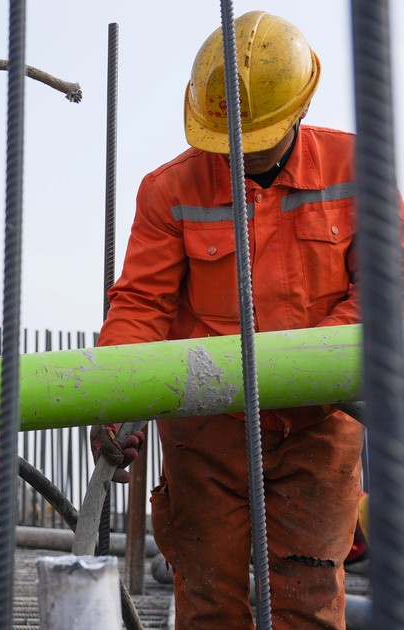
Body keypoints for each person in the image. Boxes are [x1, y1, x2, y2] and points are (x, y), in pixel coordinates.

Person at [93, 11, 384, 628]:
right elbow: (141, 305)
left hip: (317, 425)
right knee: (208, 603)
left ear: (300, 109)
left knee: (306, 603)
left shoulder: (356, 171)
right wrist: (114, 400)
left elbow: (388, 292)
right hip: (207, 430)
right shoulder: (168, 189)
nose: (236, 153)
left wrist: (308, 367)